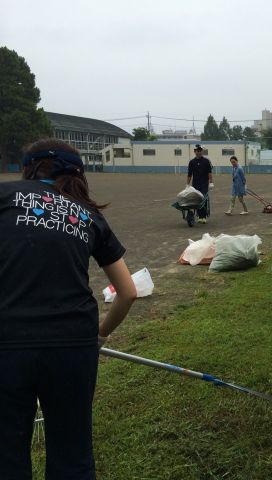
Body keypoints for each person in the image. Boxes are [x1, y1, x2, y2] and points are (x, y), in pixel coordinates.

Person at [0, 138, 137, 477]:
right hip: (74, 346)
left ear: (28, 168)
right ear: (78, 174)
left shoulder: (4, 196)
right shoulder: (89, 214)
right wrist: (98, 337)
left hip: (8, 343)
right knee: (72, 455)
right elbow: (127, 293)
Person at [186, 144, 213, 224]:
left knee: (203, 199)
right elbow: (189, 174)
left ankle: (203, 216)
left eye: (200, 151)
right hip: (195, 184)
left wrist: (211, 182)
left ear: (202, 151)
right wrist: (187, 184)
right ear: (194, 152)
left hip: (204, 184)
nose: (198, 152)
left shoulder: (206, 161)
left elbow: (209, 173)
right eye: (197, 151)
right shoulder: (192, 162)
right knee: (197, 200)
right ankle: (199, 216)